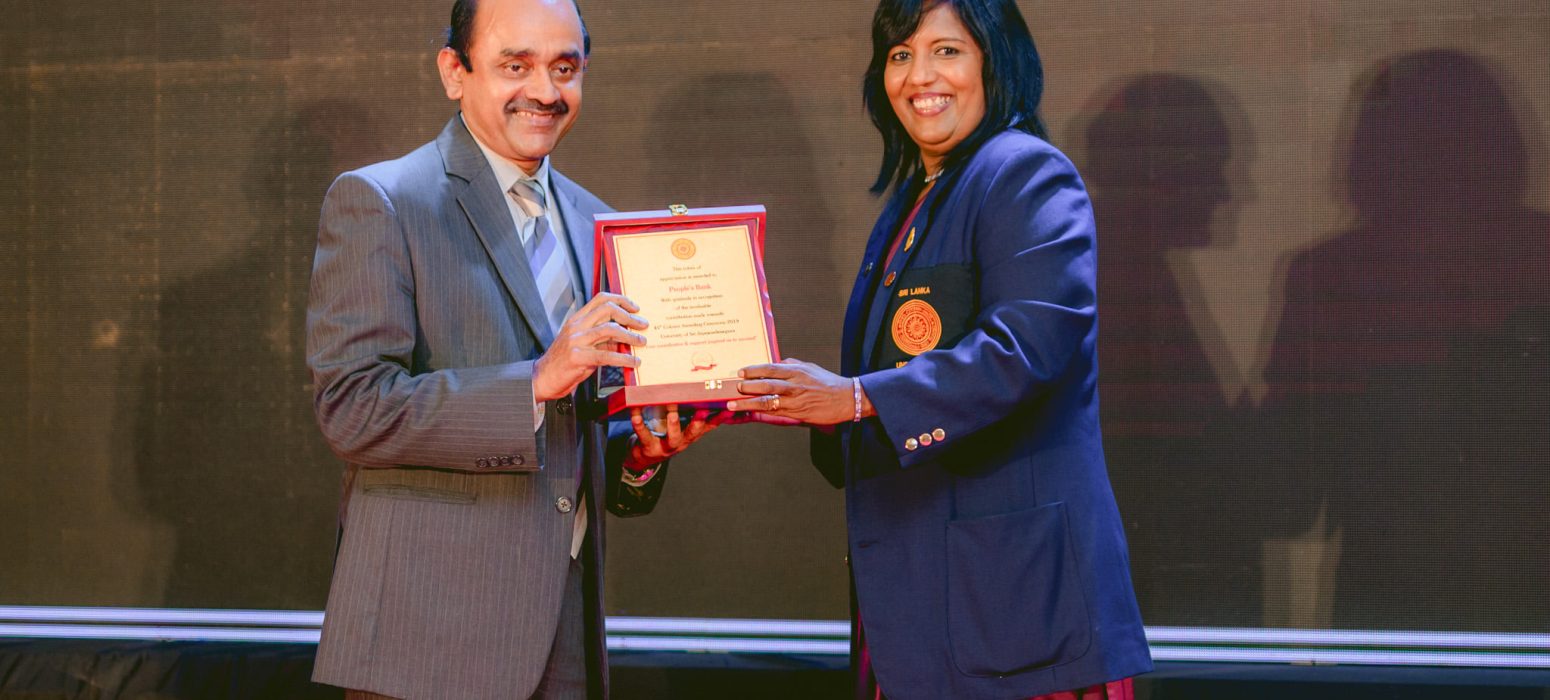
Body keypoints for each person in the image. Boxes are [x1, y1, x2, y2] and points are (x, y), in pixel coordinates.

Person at [731, 0, 1152, 697]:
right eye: (900, 55)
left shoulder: (1025, 172)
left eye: (947, 51)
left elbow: (1022, 350)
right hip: (926, 612)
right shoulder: (917, 198)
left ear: (996, 60)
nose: (919, 75)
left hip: (1013, 621)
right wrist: (812, 408)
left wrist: (855, 399)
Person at [305, 0, 722, 698]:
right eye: (516, 66)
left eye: (565, 68)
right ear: (454, 71)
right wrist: (535, 380)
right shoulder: (384, 201)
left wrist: (638, 458)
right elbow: (352, 409)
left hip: (565, 630)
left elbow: (575, 429)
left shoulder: (597, 223)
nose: (545, 91)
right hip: (427, 641)